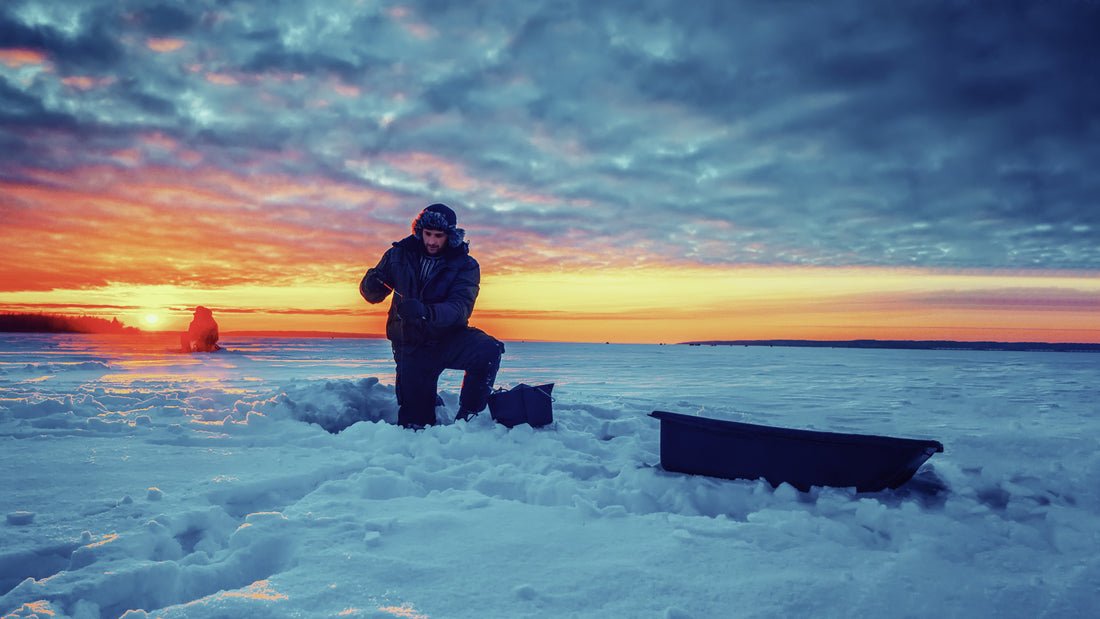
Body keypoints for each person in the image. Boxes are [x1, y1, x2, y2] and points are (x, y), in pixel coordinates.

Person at [360, 203, 504, 429]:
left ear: (450, 235)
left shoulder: (466, 265)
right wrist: (371, 283)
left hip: (449, 338)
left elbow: (460, 308)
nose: (432, 241)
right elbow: (371, 295)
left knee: (489, 350)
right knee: (415, 424)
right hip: (411, 344)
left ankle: (469, 419)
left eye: (439, 235)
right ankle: (426, 399)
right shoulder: (398, 254)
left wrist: (426, 312)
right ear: (419, 232)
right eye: (428, 234)